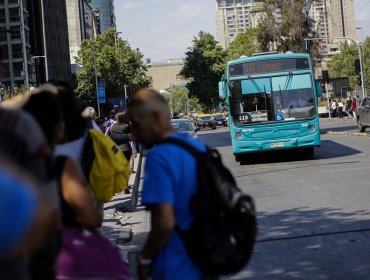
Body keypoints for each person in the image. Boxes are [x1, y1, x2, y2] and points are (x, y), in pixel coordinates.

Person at [128, 88, 206, 280]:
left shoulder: (159, 157)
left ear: (155, 117)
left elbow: (164, 222)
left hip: (176, 267)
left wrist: (145, 258)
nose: (134, 135)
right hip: (204, 262)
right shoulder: (196, 147)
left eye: (136, 125)